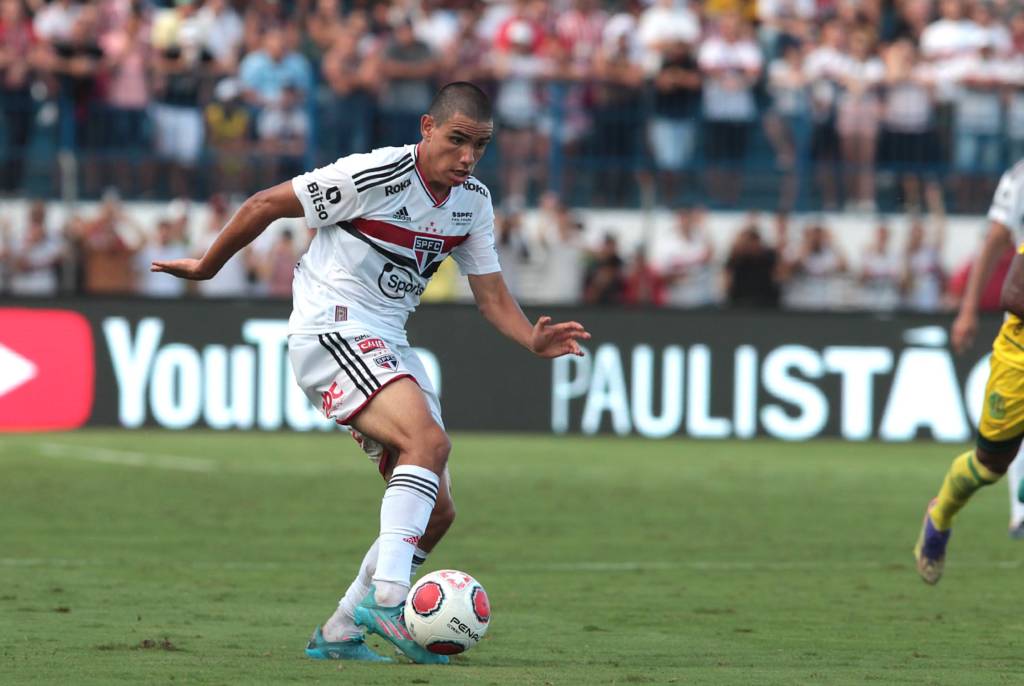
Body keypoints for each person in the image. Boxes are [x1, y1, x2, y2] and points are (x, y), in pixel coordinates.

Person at [150, 82, 590, 663]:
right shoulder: (373, 175)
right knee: (427, 442)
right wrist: (208, 267)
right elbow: (263, 204)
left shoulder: (473, 203)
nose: (467, 157)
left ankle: (339, 632)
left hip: (387, 341)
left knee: (437, 512)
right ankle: (389, 599)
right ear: (427, 127)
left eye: (480, 146)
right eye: (457, 140)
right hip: (330, 328)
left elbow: (490, 297)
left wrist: (530, 337)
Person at [914, 159, 1024, 584]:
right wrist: (967, 310)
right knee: (989, 466)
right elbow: (1014, 293)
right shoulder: (1020, 179)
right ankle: (940, 514)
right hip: (1018, 353)